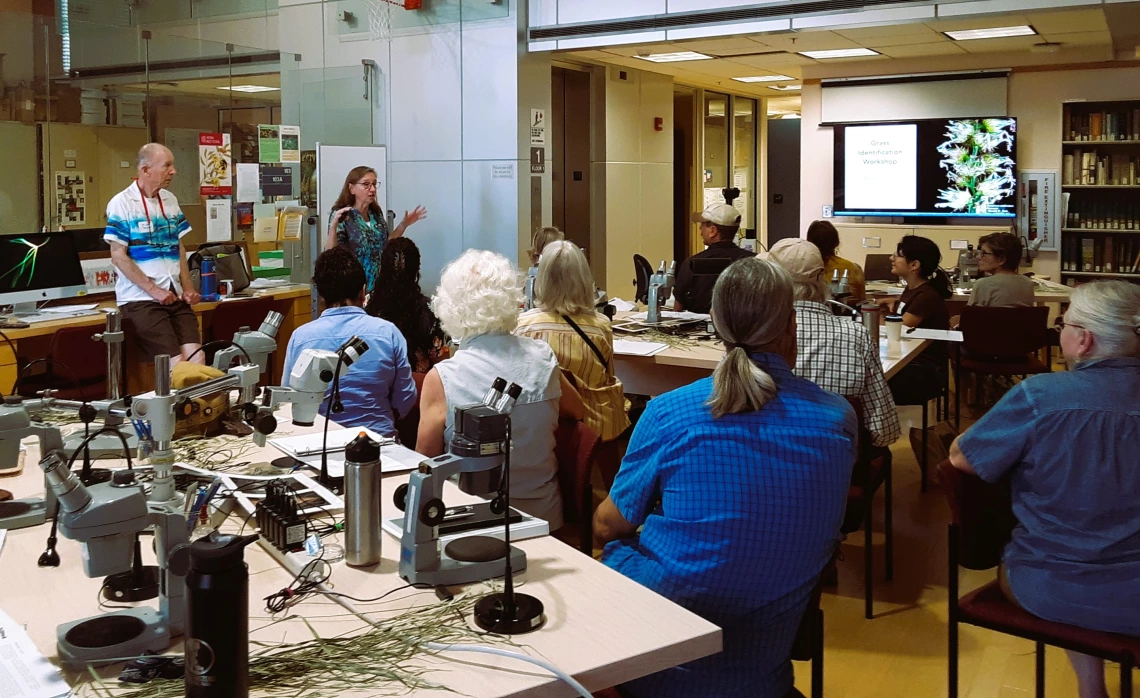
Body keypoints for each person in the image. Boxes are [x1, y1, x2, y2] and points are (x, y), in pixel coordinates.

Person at [595, 257, 855, 698]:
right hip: (763, 668)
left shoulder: (669, 412)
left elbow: (607, 525)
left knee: (612, 552)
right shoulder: (836, 420)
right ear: (791, 326)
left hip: (656, 669)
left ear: (713, 324)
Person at [949, 280, 1140, 698]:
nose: (1061, 332)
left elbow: (963, 459)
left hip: (1050, 585)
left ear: (1083, 340)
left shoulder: (1040, 396)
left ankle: (1092, 688)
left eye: (1063, 325)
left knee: (1068, 551)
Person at [417, 250, 585, 528]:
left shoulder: (443, 377)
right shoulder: (543, 357)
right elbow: (577, 411)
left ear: (449, 306)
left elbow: (424, 463)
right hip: (545, 519)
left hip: (470, 521)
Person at [766, 238, 899, 448]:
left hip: (769, 459)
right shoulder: (857, 336)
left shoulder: (758, 335)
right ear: (822, 278)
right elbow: (884, 432)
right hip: (843, 464)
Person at [282, 247, 416, 437]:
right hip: (377, 446)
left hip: (316, 444)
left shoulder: (300, 337)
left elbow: (290, 398)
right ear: (363, 291)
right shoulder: (388, 333)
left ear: (321, 296)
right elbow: (405, 400)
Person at [516, 240, 630, 443]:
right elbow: (609, 377)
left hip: (545, 428)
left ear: (541, 279)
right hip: (596, 429)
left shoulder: (523, 327)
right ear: (584, 279)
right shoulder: (600, 326)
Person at [104, 143, 202, 366]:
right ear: (145, 169)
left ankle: (196, 401)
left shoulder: (170, 200)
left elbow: (178, 246)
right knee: (176, 364)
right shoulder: (122, 204)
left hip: (173, 293)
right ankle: (179, 402)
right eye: (167, 165)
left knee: (197, 358)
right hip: (142, 299)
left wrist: (187, 287)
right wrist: (154, 290)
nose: (173, 171)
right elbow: (118, 256)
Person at [325, 166, 427, 293]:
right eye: (366, 185)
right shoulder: (343, 215)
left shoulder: (375, 214)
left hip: (379, 285)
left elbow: (386, 242)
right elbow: (330, 254)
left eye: (374, 184)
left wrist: (404, 224)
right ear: (351, 188)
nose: (372, 189)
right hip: (353, 286)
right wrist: (334, 225)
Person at [885, 235, 952, 406]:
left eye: (898, 255)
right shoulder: (913, 289)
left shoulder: (926, 296)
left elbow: (901, 327)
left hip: (924, 370)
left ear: (914, 265)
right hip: (909, 360)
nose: (891, 258)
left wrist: (875, 313)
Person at [365, 237, 448, 373]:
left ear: (381, 268)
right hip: (418, 389)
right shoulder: (432, 309)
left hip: (373, 388)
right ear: (417, 270)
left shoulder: (366, 305)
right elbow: (440, 367)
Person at [673, 203, 754, 314]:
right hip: (742, 328)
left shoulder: (692, 263)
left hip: (699, 328)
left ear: (713, 231)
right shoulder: (753, 261)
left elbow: (678, 308)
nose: (700, 229)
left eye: (703, 225)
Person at [806, 219, 866, 302]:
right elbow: (862, 301)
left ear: (809, 243)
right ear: (837, 242)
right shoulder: (854, 269)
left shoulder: (803, 269)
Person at [969, 232, 1034, 307]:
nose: (978, 257)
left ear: (1001, 260)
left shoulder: (983, 284)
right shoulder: (1028, 283)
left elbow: (970, 316)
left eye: (984, 253)